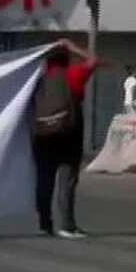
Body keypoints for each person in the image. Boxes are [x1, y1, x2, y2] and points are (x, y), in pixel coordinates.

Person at [28, 39, 100, 238]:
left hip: (42, 136)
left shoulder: (36, 82)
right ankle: (67, 225)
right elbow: (93, 60)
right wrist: (71, 44)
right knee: (67, 181)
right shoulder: (73, 75)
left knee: (44, 180)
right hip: (69, 134)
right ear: (67, 60)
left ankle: (44, 223)